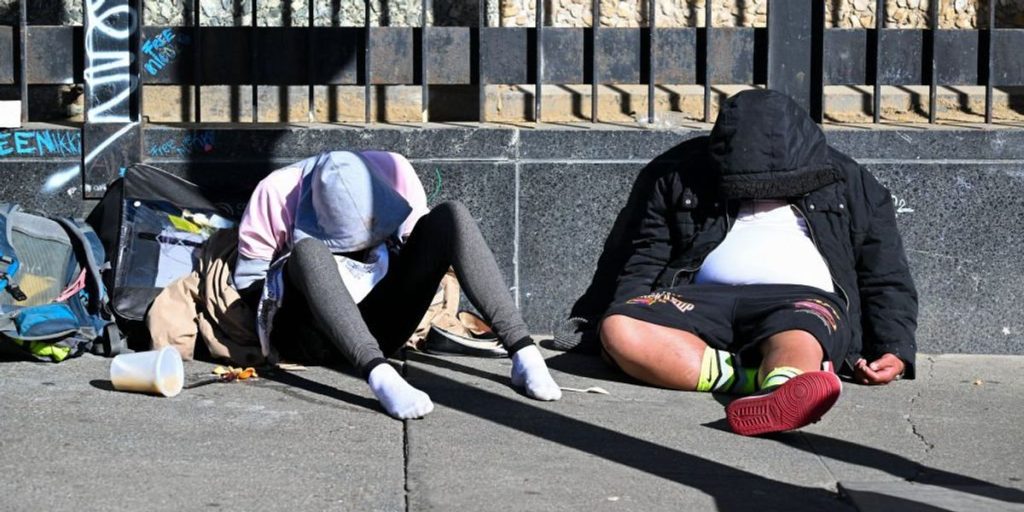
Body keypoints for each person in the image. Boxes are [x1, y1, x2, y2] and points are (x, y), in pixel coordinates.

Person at [599, 90, 917, 436]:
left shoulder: (851, 181)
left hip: (802, 301)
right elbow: (648, 255)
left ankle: (784, 386)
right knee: (619, 328)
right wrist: (620, 318)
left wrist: (894, 349)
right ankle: (755, 377)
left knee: (799, 334)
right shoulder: (682, 172)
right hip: (702, 300)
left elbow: (885, 273)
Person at [234, 150, 561, 419]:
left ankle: (523, 352)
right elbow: (250, 285)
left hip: (382, 321)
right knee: (308, 253)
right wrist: (309, 272)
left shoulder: (395, 170)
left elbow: (419, 249)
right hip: (311, 333)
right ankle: (381, 376)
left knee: (451, 216)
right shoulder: (275, 192)